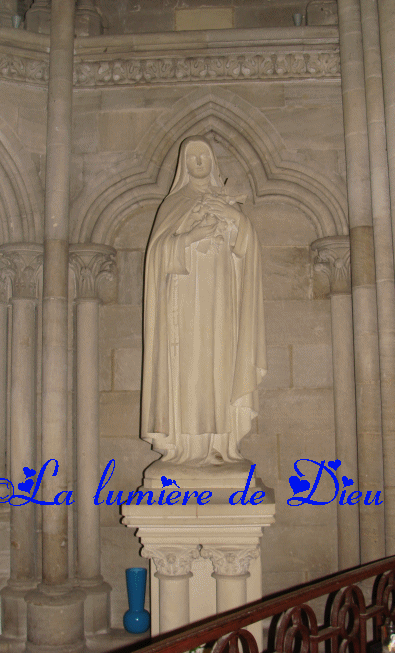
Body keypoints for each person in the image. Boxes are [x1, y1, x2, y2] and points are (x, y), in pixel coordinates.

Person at [141, 136, 267, 466]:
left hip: (222, 302)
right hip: (182, 306)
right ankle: (185, 448)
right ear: (184, 164)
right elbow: (156, 257)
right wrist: (191, 237)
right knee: (188, 369)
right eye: (192, 156)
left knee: (221, 365)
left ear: (213, 161)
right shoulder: (173, 204)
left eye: (204, 155)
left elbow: (247, 248)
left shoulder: (227, 202)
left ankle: (221, 445)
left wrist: (234, 217)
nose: (198, 161)